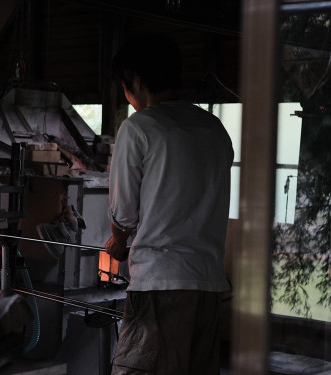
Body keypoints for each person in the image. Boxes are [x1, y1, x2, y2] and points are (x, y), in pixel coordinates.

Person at [104, 34, 234, 375]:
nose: (127, 97)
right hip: (208, 285)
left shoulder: (139, 128)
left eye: (124, 87)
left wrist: (118, 243)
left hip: (160, 284)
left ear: (135, 81)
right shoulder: (214, 129)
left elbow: (123, 213)